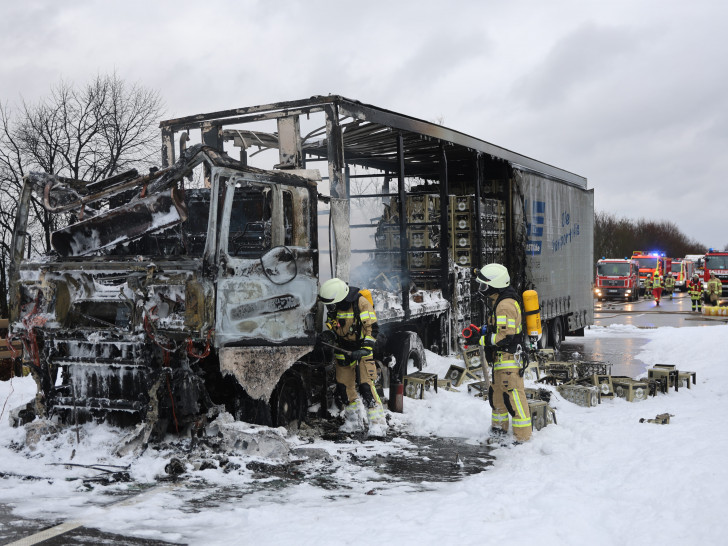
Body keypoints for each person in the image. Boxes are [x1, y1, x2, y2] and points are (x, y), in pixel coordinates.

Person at [469, 263, 531, 444]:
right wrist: (481, 331)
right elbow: (498, 328)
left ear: (495, 285)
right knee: (497, 399)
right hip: (501, 362)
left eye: (484, 286)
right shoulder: (500, 302)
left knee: (515, 401)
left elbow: (505, 337)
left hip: (509, 362)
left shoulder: (504, 305)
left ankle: (522, 439)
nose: (482, 290)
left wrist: (479, 341)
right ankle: (499, 432)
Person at [318, 278, 386, 437]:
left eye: (330, 303)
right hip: (343, 349)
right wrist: (329, 335)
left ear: (340, 297)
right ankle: (353, 421)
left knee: (366, 386)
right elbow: (334, 325)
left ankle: (378, 425)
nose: (329, 307)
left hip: (362, 349)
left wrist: (365, 349)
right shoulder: (335, 307)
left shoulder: (361, 303)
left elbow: (372, 328)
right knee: (343, 387)